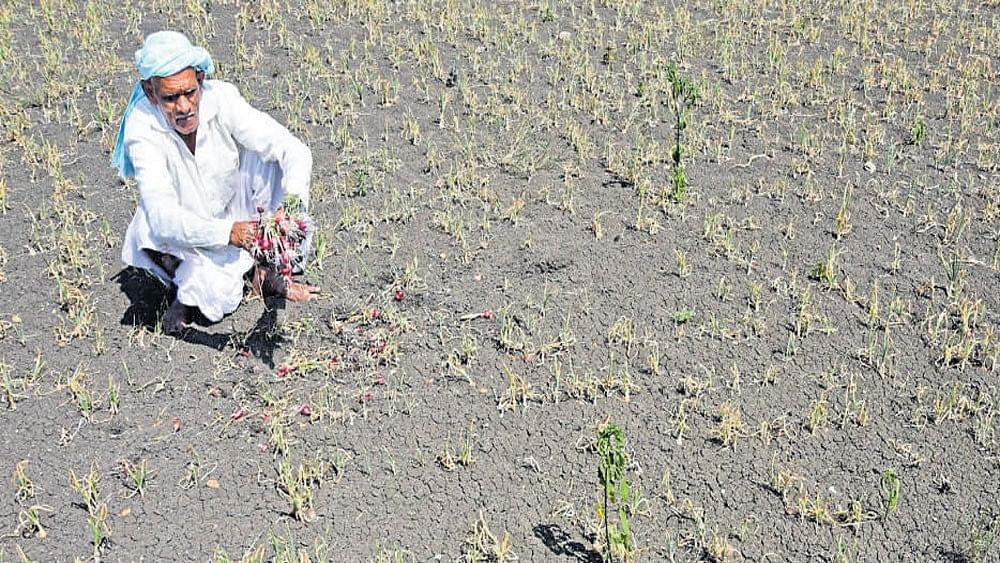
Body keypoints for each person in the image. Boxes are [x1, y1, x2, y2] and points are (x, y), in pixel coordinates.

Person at [113, 31, 319, 334]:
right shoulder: (142, 128)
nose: (183, 107)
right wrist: (230, 234)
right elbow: (163, 218)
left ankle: (263, 270)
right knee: (215, 294)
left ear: (201, 78)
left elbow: (294, 150)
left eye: (190, 92)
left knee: (269, 159)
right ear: (150, 92)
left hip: (226, 205)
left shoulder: (222, 98)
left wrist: (289, 207)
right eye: (170, 98)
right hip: (177, 235)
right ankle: (223, 280)